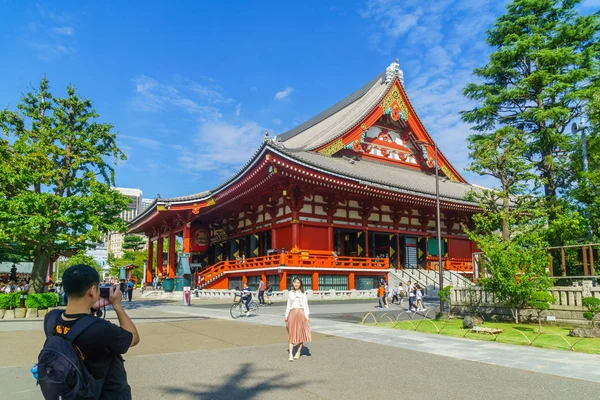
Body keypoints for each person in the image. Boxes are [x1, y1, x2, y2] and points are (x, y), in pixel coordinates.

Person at [42, 264, 140, 399]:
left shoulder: (51, 318)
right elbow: (133, 338)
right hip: (105, 393)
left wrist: (91, 309)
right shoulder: (102, 329)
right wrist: (117, 306)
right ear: (92, 290)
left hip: (71, 391)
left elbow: (78, 327)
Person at [285, 277, 311, 362]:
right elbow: (288, 305)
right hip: (292, 313)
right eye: (295, 282)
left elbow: (305, 306)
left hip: (301, 314)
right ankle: (291, 354)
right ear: (292, 283)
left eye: (298, 283)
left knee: (300, 334)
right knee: (291, 334)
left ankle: (298, 352)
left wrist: (307, 317)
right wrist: (286, 315)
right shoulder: (290, 293)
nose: (296, 284)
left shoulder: (303, 294)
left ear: (300, 284)